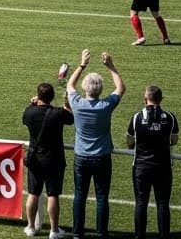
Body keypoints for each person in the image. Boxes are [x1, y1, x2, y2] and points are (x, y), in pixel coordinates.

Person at [66, 49, 126, 239]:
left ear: (85, 88)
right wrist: (111, 66)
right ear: (100, 90)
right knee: (102, 197)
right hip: (102, 157)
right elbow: (120, 88)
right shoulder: (106, 105)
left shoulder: (77, 103)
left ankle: (77, 233)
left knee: (79, 195)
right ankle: (101, 233)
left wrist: (82, 65)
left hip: (81, 157)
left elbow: (69, 85)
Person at [127, 85, 180, 239]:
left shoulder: (137, 117)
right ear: (161, 99)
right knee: (163, 203)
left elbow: (129, 141)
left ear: (145, 99)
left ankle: (140, 236)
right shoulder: (169, 117)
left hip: (141, 167)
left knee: (141, 202)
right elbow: (174, 139)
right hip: (163, 167)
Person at [23, 82, 74, 239]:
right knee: (53, 194)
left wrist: (32, 104)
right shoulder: (57, 113)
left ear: (38, 96)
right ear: (52, 97)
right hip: (53, 159)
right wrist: (67, 104)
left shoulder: (29, 112)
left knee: (33, 193)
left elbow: (25, 117)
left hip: (34, 158)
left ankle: (31, 227)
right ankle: (54, 230)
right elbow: (70, 118)